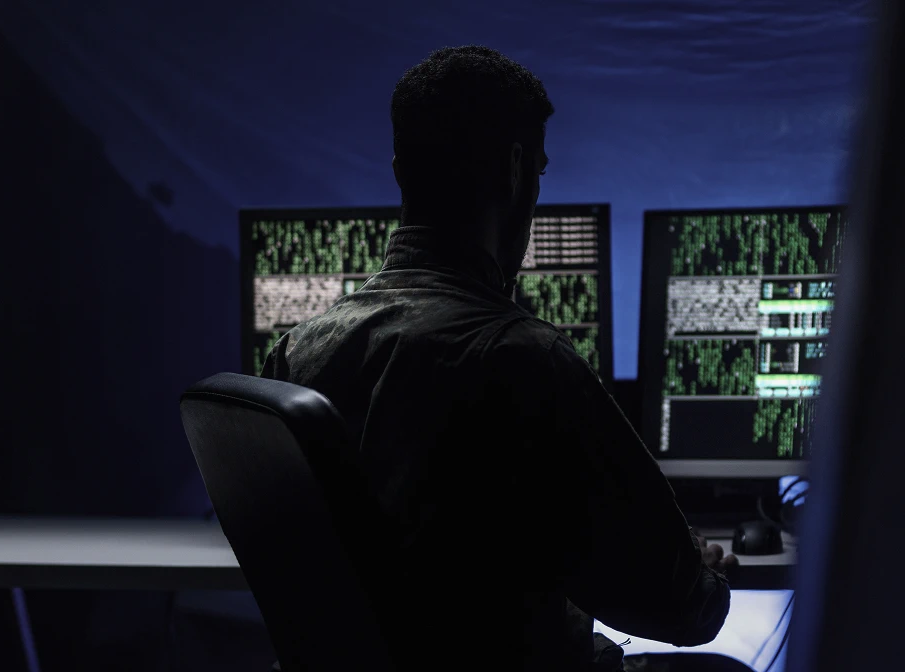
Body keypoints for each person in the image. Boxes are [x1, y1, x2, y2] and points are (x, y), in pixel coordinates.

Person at [261, 45, 737, 672]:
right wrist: (698, 570)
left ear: (401, 168)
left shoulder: (294, 353)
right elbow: (683, 608)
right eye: (539, 169)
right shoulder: (526, 360)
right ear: (516, 170)